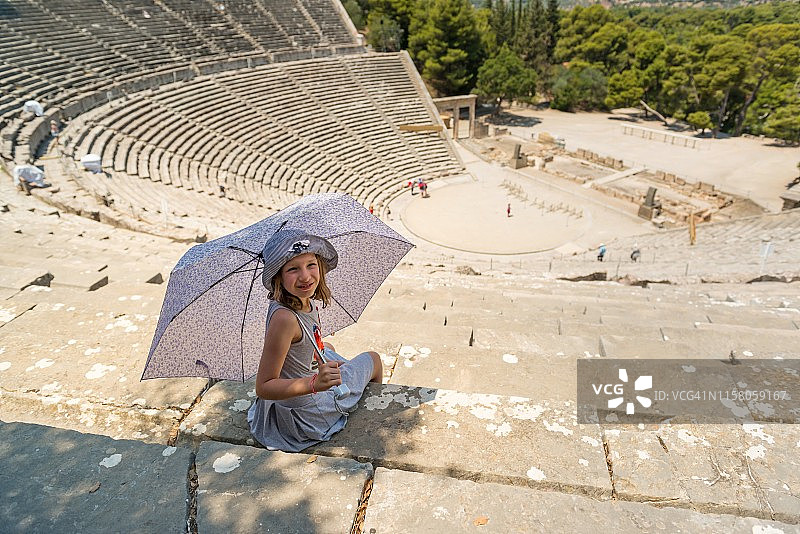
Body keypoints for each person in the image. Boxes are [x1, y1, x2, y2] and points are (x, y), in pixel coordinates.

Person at [248, 230, 383, 452]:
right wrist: (314, 383)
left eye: (311, 264)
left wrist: (319, 362)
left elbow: (305, 347)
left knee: (327, 347)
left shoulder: (302, 301)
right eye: (293, 269)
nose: (305, 276)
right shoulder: (284, 319)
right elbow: (263, 387)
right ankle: (373, 415)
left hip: (299, 397)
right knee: (374, 359)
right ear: (278, 277)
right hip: (308, 416)